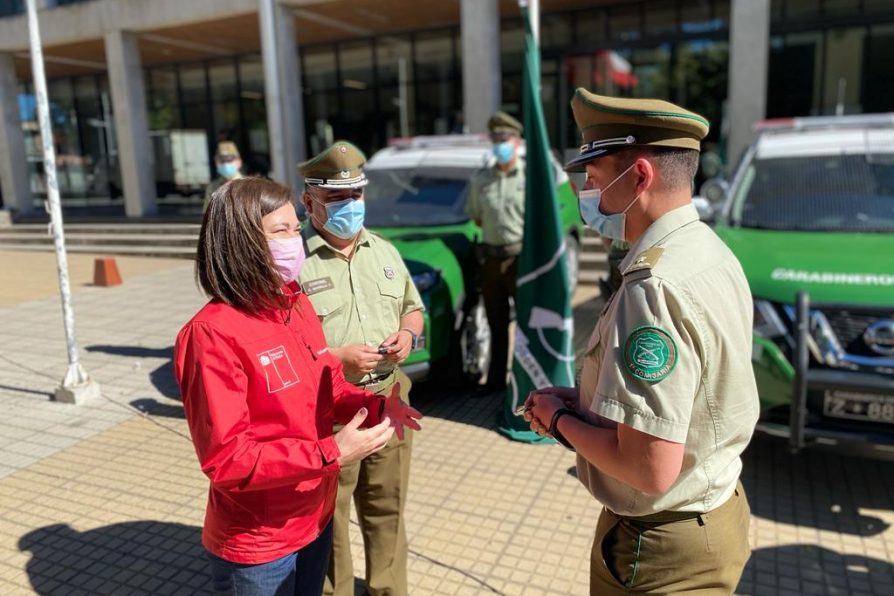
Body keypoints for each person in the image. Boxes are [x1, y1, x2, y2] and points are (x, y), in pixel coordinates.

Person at [523, 89, 760, 595]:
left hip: (662, 547)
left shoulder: (653, 288)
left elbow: (648, 468)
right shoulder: (707, 250)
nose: (587, 195)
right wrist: (586, 402)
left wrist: (558, 421)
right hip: (714, 513)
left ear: (640, 177)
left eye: (594, 179)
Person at [174, 177, 422, 596]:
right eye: (280, 232)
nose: (295, 242)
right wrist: (334, 451)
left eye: (294, 228)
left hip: (315, 520)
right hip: (261, 544)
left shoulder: (294, 303)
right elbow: (228, 460)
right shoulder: (211, 334)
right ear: (240, 242)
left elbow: (325, 383)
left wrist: (373, 405)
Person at [296, 141, 424, 596]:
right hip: (327, 408)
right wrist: (336, 359)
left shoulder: (383, 251)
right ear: (309, 201)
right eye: (336, 198)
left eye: (356, 196)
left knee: (388, 508)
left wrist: (409, 335)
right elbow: (283, 348)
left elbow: (413, 309)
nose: (350, 206)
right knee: (330, 517)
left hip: (388, 398)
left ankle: (389, 590)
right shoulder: (293, 263)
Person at [466, 111, 525, 393]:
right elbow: (477, 217)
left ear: (517, 142)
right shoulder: (481, 180)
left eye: (506, 138)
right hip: (491, 259)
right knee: (496, 323)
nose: (501, 143)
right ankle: (495, 382)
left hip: (521, 260)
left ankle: (524, 382)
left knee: (526, 325)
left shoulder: (529, 177)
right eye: (496, 138)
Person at [203, 141, 243, 211]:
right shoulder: (212, 187)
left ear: (239, 162)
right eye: (222, 161)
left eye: (229, 160)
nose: (225, 164)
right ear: (216, 163)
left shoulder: (249, 185)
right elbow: (207, 214)